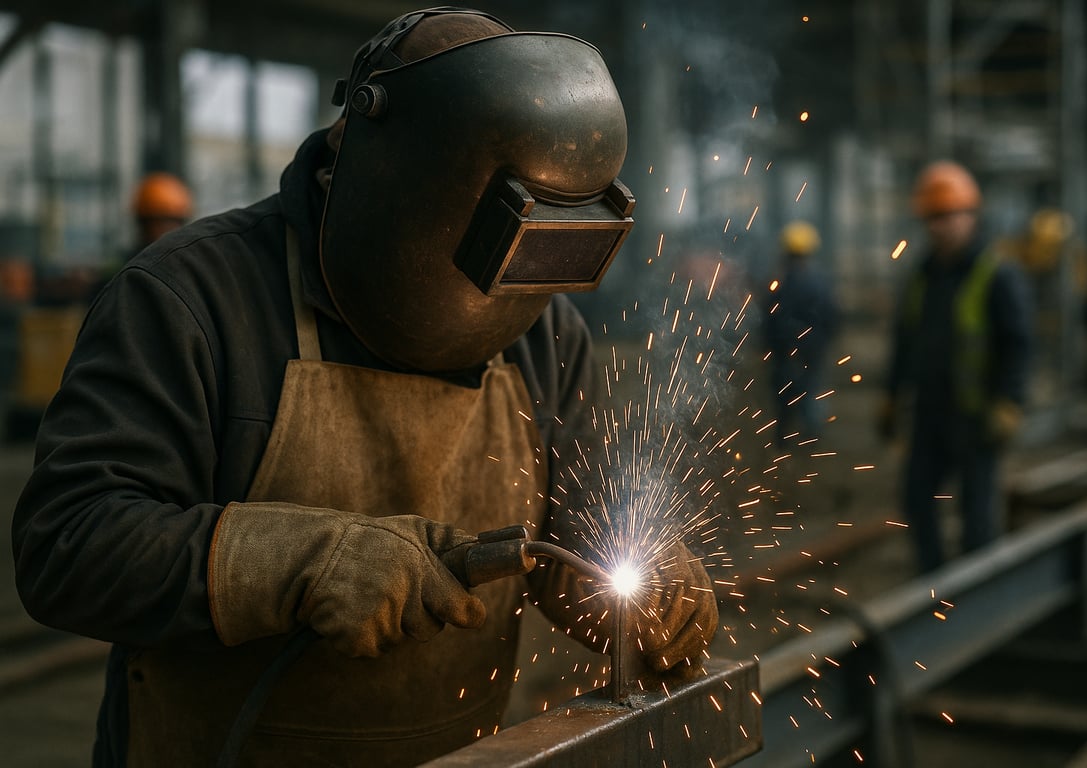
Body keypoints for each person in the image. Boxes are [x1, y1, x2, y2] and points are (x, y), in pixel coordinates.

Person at [11, 9, 717, 767]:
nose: (505, 290)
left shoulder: (540, 329)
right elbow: (67, 543)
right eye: (485, 240)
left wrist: (627, 572)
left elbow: (571, 520)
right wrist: (294, 560)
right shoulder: (191, 300)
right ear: (392, 177)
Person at [878, 160, 1033, 573]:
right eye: (931, 217)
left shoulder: (998, 275)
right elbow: (904, 343)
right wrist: (891, 398)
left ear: (970, 215)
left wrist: (1009, 402)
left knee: (976, 512)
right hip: (931, 413)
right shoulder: (921, 277)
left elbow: (1018, 345)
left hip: (976, 414)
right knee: (915, 498)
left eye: (947, 216)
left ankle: (978, 590)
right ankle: (933, 585)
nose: (938, 227)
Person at [761, 220, 840, 442]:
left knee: (784, 391)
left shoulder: (778, 283)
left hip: (785, 349)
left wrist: (768, 346)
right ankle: (810, 435)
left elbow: (770, 318)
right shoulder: (820, 282)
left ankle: (783, 435)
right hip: (812, 348)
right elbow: (832, 316)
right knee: (811, 388)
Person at [130, 171, 194, 252]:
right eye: (160, 222)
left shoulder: (191, 259)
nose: (167, 230)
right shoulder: (128, 263)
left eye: (173, 222)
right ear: (144, 225)